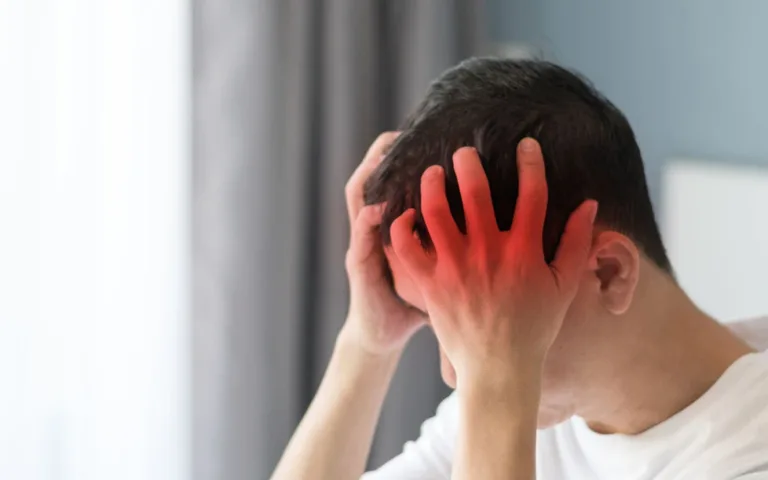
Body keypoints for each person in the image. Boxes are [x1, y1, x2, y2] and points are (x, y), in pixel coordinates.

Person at [271, 58, 768, 479]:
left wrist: (497, 374)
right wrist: (368, 343)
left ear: (608, 272)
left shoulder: (747, 454)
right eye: (441, 323)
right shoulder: (524, 404)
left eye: (484, 317)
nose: (455, 374)